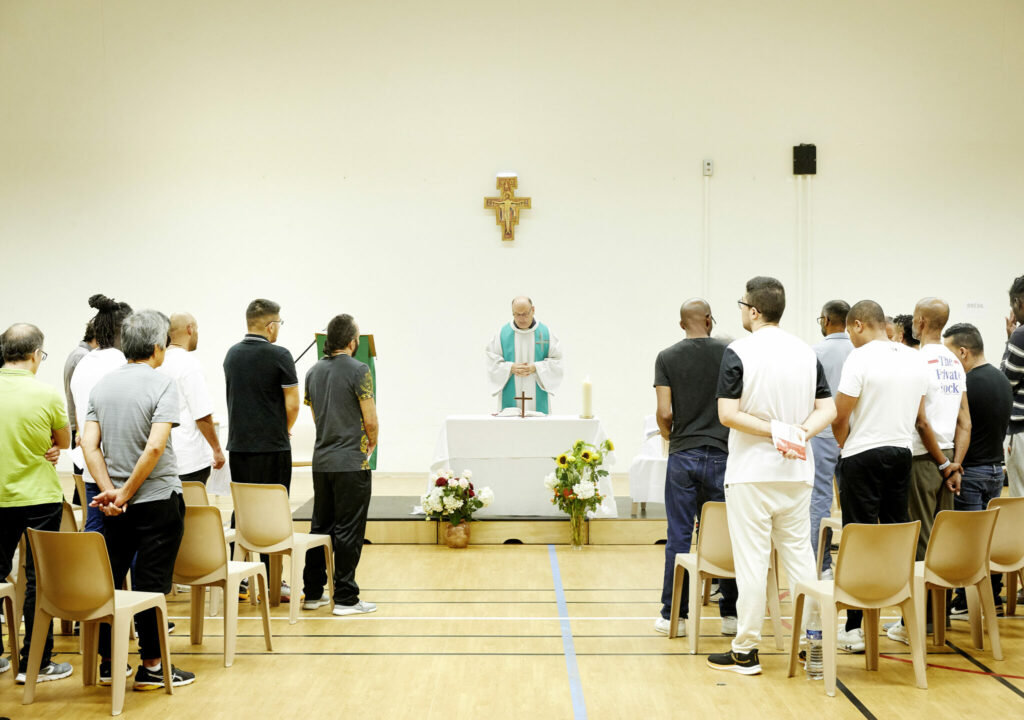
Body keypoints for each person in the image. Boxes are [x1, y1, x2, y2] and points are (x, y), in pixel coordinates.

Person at [707, 277, 836, 676]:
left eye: (742, 304)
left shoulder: (738, 351)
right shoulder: (805, 351)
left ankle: (745, 650)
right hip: (797, 471)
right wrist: (799, 433)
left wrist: (774, 431)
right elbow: (827, 410)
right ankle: (809, 642)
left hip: (751, 473)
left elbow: (727, 414)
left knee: (752, 561)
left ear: (754, 310)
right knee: (800, 558)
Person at [83, 310, 195, 690]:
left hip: (115, 505)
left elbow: (88, 445)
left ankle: (108, 663)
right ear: (156, 347)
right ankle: (151, 665)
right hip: (157, 500)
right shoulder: (162, 384)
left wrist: (109, 493)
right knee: (150, 584)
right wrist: (127, 493)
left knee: (112, 580)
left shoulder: (102, 385)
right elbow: (155, 447)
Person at [830, 300, 929, 653]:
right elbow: (920, 414)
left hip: (863, 454)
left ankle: (854, 627)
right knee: (896, 534)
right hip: (901, 453)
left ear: (858, 325)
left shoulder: (859, 357)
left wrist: (846, 445)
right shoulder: (912, 357)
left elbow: (840, 415)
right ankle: (905, 619)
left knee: (859, 536)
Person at [652, 299, 738, 637]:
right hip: (723, 452)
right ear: (709, 320)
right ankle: (730, 615)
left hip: (683, 454)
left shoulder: (667, 356)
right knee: (726, 535)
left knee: (679, 536)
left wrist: (669, 436)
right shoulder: (731, 351)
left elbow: (664, 412)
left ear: (681, 325)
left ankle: (674, 614)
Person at [0, 324, 72, 683]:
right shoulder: (46, 394)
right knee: (38, 580)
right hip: (40, 498)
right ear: (35, 355)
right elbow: (64, 439)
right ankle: (36, 662)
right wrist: (52, 445)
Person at [300, 314, 379, 617]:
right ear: (351, 341)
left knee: (321, 526)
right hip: (350, 462)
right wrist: (370, 444)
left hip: (322, 462)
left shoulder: (313, 372)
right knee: (348, 529)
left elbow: (318, 415)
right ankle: (345, 597)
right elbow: (370, 419)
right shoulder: (360, 369)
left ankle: (313, 592)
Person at [224, 298, 299, 599]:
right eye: (279, 323)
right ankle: (274, 583)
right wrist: (284, 429)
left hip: (239, 447)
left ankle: (236, 577)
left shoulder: (231, 355)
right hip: (272, 448)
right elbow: (292, 404)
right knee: (274, 514)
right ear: (271, 326)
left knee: (241, 511)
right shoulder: (280, 355)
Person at [943, 323, 1012, 615]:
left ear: (963, 351)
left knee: (967, 543)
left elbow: (962, 427)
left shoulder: (967, 384)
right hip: (996, 471)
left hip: (970, 473)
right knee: (985, 540)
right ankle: (991, 598)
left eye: (949, 356)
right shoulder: (1001, 379)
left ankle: (967, 600)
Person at [69, 294, 132, 532]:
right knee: (133, 543)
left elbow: (79, 415)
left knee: (96, 534)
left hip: (91, 469)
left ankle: (93, 572)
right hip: (121, 471)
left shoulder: (83, 363)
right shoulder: (123, 364)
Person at [810, 300, 853, 579]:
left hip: (823, 434)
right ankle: (854, 565)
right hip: (853, 436)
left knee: (819, 502)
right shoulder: (859, 352)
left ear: (826, 320)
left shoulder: (813, 352)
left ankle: (821, 566)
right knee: (854, 503)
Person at [157, 313, 225, 484]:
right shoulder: (189, 364)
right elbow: (201, 414)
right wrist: (216, 449)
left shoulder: (158, 362)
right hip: (190, 459)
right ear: (190, 329)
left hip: (162, 458)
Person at [485, 296, 564, 414]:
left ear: (533, 310)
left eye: (525, 314)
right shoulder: (503, 333)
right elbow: (491, 361)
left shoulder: (545, 333)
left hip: (538, 396)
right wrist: (510, 368)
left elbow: (557, 361)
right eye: (517, 314)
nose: (521, 319)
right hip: (510, 394)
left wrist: (536, 367)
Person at [63, 320, 97, 487]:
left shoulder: (78, 354)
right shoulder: (83, 356)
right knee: (86, 484)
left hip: (80, 428)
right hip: (81, 429)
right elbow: (82, 397)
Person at [1002, 274, 1024, 498]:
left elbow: (1005, 383)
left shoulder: (1021, 335)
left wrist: (1009, 341)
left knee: (1020, 502)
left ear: (1019, 303)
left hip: (1022, 431)